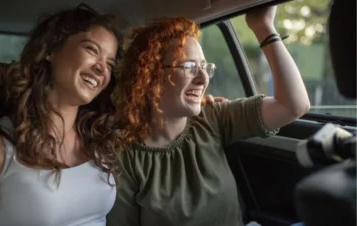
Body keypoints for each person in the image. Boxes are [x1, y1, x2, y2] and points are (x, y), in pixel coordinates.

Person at [107, 5, 310, 226]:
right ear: (150, 76)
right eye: (189, 66)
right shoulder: (124, 157)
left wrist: (263, 28)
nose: (204, 79)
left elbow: (293, 105)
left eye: (205, 67)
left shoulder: (213, 117)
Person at [0, 3, 124, 226]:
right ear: (50, 50)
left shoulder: (99, 142)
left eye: (110, 64)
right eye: (92, 50)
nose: (102, 69)